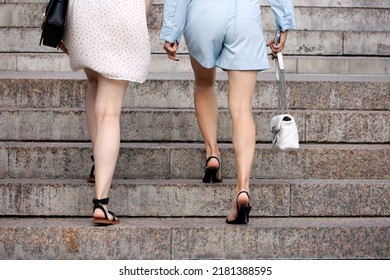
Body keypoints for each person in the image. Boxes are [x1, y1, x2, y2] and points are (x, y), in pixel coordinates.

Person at [160, 0, 295, 224]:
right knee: (242, 108)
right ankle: (242, 188)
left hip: (203, 14)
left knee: (204, 84)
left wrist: (171, 31)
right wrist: (283, 24)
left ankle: (213, 154)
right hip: (244, 16)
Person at [60, 0, 151, 225]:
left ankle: (97, 160)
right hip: (123, 12)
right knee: (109, 112)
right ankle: (101, 202)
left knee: (94, 81)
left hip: (82, 13)